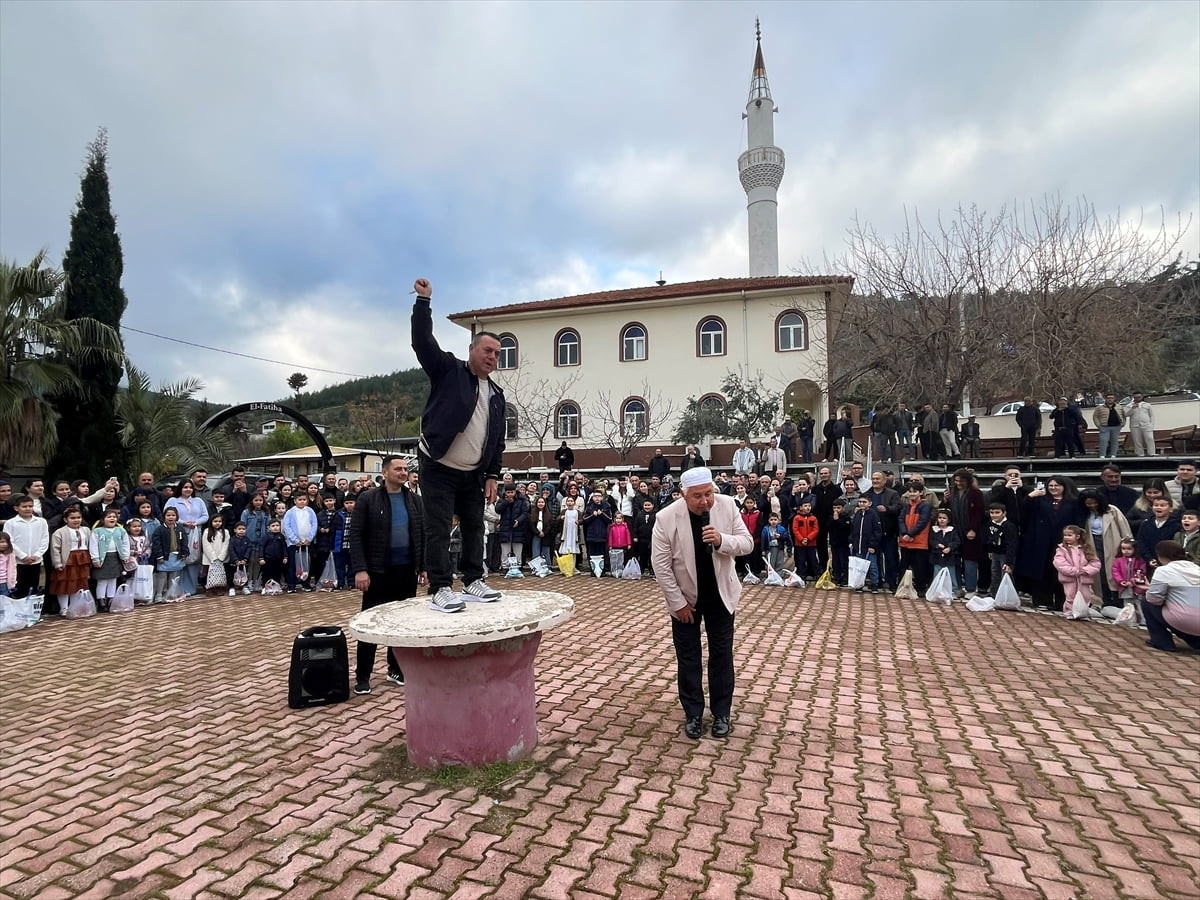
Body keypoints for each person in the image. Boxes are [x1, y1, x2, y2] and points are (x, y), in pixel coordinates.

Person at [411, 276, 504, 609]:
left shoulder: (496, 395)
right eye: (487, 350)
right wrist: (424, 302)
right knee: (437, 527)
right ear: (472, 350)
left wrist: (492, 473)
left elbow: (497, 440)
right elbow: (422, 341)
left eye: (497, 352)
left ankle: (473, 580)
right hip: (438, 465)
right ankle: (439, 587)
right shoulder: (448, 369)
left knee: (474, 526)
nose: (493, 356)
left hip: (473, 473)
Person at [651, 467, 752, 740]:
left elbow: (747, 543)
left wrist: (722, 540)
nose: (705, 501)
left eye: (709, 494)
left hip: (721, 596)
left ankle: (722, 713)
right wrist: (678, 604)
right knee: (689, 657)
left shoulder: (728, 506)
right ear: (683, 495)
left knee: (722, 655)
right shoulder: (666, 517)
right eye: (697, 496)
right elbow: (661, 567)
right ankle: (693, 713)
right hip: (685, 600)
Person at [349, 455, 427, 693]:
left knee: (400, 623)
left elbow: (422, 535)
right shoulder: (368, 499)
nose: (403, 473)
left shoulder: (414, 500)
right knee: (371, 623)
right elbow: (356, 535)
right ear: (384, 473)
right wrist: (361, 569)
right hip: (377, 572)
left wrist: (423, 567)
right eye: (398, 469)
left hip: (406, 572)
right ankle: (363, 675)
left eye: (405, 469)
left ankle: (396, 668)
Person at [1017, 477, 1086, 610]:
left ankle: (1063, 602)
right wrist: (1030, 496)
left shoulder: (1073, 503)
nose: (1053, 488)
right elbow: (1023, 510)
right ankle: (1042, 600)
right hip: (1041, 542)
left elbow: (1079, 522)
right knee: (1042, 571)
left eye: (1057, 485)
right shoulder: (1040, 501)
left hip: (1064, 542)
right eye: (1051, 485)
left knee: (1063, 572)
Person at [1141, 541, 1200, 651]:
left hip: (1182, 620)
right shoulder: (1197, 569)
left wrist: (1150, 589)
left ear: (1160, 556)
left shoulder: (1163, 571)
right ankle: (1195, 641)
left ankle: (1162, 642)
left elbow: (1154, 599)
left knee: (1147, 602)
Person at [942, 469, 985, 596]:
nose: (958, 483)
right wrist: (945, 500)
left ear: (968, 480)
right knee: (955, 559)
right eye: (956, 481)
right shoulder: (953, 493)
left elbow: (979, 513)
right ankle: (957, 587)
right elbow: (945, 510)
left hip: (970, 532)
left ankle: (971, 588)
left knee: (969, 560)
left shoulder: (976, 494)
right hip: (955, 531)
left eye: (961, 481)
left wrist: (973, 529)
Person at [3, 496, 49, 600]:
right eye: (24, 506)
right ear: (16, 508)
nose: (28, 508)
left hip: (35, 560)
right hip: (18, 561)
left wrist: (37, 555)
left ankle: (30, 610)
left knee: (33, 587)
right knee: (19, 586)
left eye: (30, 506)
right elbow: (9, 541)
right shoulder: (10, 523)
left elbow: (45, 539)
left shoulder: (41, 522)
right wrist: (22, 556)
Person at [48, 508, 91, 615]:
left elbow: (90, 544)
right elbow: (55, 549)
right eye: (72, 518)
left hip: (82, 558)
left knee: (79, 583)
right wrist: (57, 563)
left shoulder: (86, 530)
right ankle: (64, 608)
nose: (76, 520)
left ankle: (75, 606)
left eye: (78, 517)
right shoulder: (60, 532)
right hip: (68, 559)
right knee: (65, 583)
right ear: (65, 519)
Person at [1054, 525, 1102, 612]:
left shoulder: (1086, 549)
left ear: (1077, 536)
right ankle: (1069, 611)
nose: (1066, 537)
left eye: (1069, 535)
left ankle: (1082, 612)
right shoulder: (1062, 549)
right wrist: (1074, 571)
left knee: (1085, 596)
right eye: (1065, 535)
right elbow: (1059, 563)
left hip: (1084, 579)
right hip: (1069, 579)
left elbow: (1095, 563)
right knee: (1070, 596)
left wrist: (1086, 570)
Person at [90, 508, 130, 612]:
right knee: (102, 581)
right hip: (103, 559)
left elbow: (126, 544)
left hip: (115, 557)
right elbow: (93, 545)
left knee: (113, 580)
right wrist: (95, 558)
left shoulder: (121, 530)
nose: (112, 518)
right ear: (103, 520)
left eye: (114, 517)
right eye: (109, 517)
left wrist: (125, 556)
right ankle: (101, 602)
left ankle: (111, 600)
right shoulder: (97, 531)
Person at [897, 486, 933, 596]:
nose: (912, 494)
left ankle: (921, 588)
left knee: (920, 567)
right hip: (906, 541)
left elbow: (922, 522)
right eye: (910, 491)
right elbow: (901, 519)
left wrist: (910, 534)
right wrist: (904, 533)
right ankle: (901, 586)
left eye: (915, 491)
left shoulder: (925, 506)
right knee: (903, 565)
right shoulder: (907, 506)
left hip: (919, 542)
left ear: (921, 492)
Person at [849, 495, 882, 593]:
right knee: (859, 567)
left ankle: (875, 584)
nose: (862, 504)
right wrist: (851, 541)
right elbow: (853, 529)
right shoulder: (857, 514)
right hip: (857, 546)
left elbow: (877, 532)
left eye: (864, 502)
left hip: (868, 547)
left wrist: (873, 545)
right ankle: (859, 584)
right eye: (860, 502)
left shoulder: (874, 515)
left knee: (872, 566)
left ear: (870, 503)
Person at [985, 503, 1019, 598]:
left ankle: (1009, 596)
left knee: (1006, 575)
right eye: (992, 512)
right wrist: (990, 550)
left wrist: (1009, 562)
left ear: (1004, 513)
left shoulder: (1009, 526)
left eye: (997, 512)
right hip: (995, 553)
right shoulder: (990, 524)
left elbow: (1011, 544)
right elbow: (990, 538)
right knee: (995, 574)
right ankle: (994, 594)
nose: (994, 515)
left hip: (1005, 555)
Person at [930, 509, 962, 595]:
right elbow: (931, 540)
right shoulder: (934, 530)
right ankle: (936, 590)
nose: (942, 520)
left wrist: (950, 547)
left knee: (951, 573)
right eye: (940, 518)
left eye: (944, 518)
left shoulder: (952, 530)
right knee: (937, 573)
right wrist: (937, 545)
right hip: (937, 556)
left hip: (950, 557)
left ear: (949, 520)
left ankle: (953, 590)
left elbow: (957, 541)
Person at [1092, 394, 1126, 459]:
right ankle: (1102, 455)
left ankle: (1113, 455)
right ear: (1105, 399)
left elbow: (1124, 416)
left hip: (1116, 426)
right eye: (1108, 398)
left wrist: (1123, 424)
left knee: (1114, 441)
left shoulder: (1119, 407)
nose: (1110, 399)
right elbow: (1095, 416)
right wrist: (1098, 425)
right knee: (1103, 441)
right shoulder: (1099, 408)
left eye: (1112, 398)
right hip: (1104, 427)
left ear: (1114, 399)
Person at [1124, 392, 1155, 457]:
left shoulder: (1147, 405)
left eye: (1139, 397)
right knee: (1137, 440)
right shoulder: (1129, 405)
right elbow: (1126, 414)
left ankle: (1151, 453)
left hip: (1146, 425)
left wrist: (1151, 425)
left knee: (1150, 438)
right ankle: (1140, 454)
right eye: (1135, 397)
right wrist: (1132, 408)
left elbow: (1151, 415)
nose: (1137, 398)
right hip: (1135, 425)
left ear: (1142, 397)